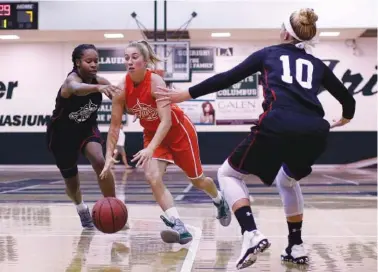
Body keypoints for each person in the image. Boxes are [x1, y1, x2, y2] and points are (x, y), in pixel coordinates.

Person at [156, 8, 356, 269]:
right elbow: (348, 99)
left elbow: (226, 78)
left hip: (279, 123)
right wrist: (344, 120)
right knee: (287, 180)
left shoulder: (268, 54)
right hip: (315, 131)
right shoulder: (317, 64)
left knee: (228, 175)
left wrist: (184, 95)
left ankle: (250, 233)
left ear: (285, 32)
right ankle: (296, 246)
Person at [100, 40, 231, 245]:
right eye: (126, 58)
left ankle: (219, 199)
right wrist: (108, 155)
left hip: (179, 131)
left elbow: (167, 121)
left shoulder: (155, 82)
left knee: (197, 180)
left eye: (135, 57)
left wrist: (150, 149)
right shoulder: (121, 89)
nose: (130, 61)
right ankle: (177, 224)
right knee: (152, 177)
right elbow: (114, 126)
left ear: (145, 61)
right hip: (153, 133)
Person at [46, 44, 121, 229]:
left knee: (98, 159)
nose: (94, 64)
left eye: (96, 61)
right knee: (73, 184)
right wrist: (98, 88)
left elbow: (121, 99)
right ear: (78, 63)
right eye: (89, 61)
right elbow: (76, 88)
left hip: (86, 129)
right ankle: (81, 208)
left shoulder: (101, 81)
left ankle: (113, 207)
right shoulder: (70, 81)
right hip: (62, 136)